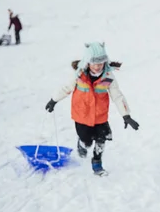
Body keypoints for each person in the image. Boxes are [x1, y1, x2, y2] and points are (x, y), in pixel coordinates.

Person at [44, 42, 140, 176]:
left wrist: (126, 116)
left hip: (100, 116)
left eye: (100, 63)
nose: (97, 66)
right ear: (87, 62)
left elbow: (117, 96)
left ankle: (97, 163)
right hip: (82, 115)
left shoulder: (108, 76)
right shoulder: (79, 75)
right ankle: (82, 144)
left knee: (102, 138)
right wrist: (53, 100)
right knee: (87, 140)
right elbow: (66, 88)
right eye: (94, 63)